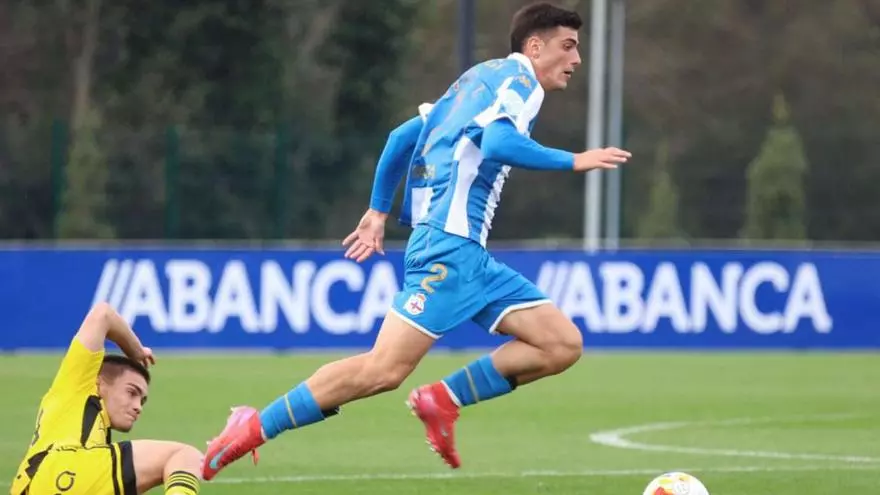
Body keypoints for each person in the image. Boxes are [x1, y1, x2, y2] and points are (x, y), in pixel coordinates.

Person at [200, 1, 631, 480]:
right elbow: (498, 143)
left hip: (468, 256)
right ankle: (254, 425)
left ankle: (443, 398)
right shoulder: (521, 83)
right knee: (382, 370)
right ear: (534, 46)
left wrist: (377, 211)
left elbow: (400, 138)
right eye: (567, 46)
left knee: (560, 343)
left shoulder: (475, 80)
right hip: (449, 248)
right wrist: (574, 160)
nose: (576, 59)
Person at [9, 303, 205, 495]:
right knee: (184, 456)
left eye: (142, 401)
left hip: (28, 485)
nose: (138, 407)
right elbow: (102, 314)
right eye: (131, 392)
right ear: (99, 383)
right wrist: (136, 350)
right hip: (65, 468)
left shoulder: (90, 430)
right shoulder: (79, 383)